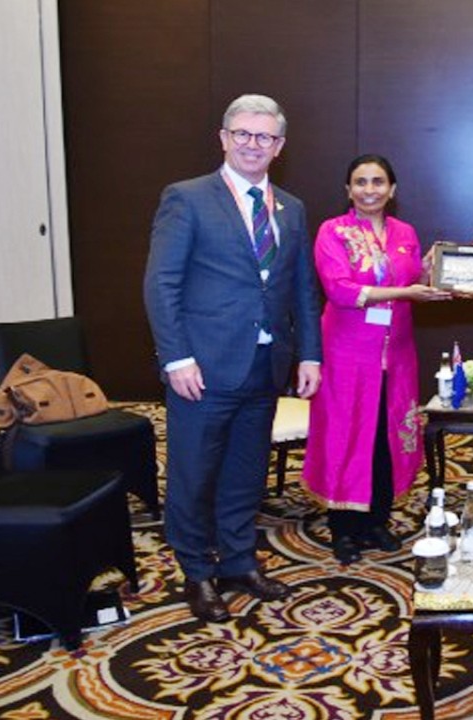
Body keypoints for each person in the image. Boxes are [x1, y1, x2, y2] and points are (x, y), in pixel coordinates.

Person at [144, 94, 323, 623]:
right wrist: (176, 358)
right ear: (224, 138)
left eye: (264, 137)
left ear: (279, 146)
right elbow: (162, 283)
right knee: (193, 473)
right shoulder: (187, 198)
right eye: (242, 134)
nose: (252, 144)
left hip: (265, 367)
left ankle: (239, 560)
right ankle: (196, 571)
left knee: (247, 472)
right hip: (203, 367)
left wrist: (309, 355)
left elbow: (301, 291)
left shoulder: (291, 207)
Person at [303, 155, 450, 565]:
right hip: (346, 353)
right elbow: (341, 290)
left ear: (392, 189)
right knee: (348, 434)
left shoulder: (405, 232)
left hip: (397, 353)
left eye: (378, 181)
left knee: (387, 436)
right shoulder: (333, 231)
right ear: (348, 190)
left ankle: (377, 519)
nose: (370, 189)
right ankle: (343, 527)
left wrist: (441, 268)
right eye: (361, 182)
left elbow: (414, 280)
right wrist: (406, 294)